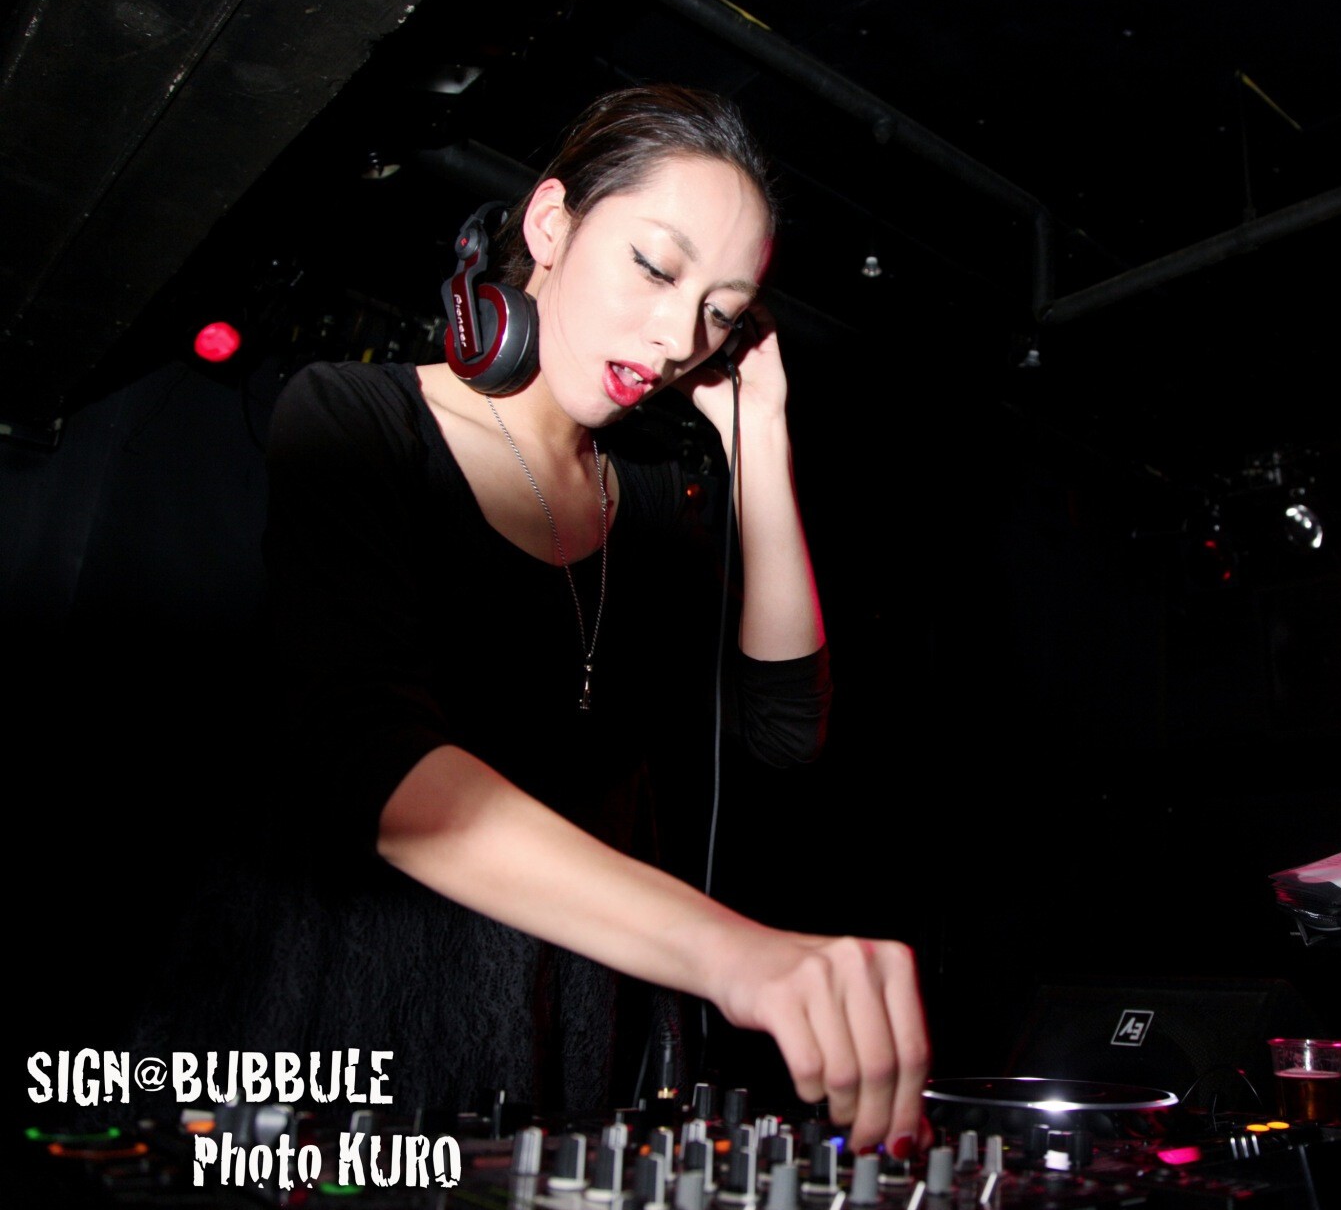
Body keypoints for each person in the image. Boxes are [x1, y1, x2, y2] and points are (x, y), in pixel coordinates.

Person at [261, 84, 929, 1154]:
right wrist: (729, 952)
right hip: (357, 1007)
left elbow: (784, 730)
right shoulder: (354, 417)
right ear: (550, 224)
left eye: (720, 312)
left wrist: (760, 435)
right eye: (656, 267)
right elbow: (366, 752)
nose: (677, 339)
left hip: (572, 1034)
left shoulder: (657, 503)